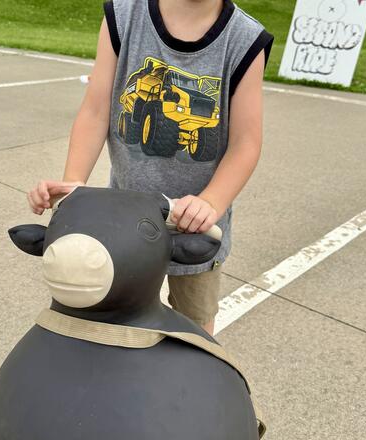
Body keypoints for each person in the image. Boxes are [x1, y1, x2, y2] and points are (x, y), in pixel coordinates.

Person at [27, 0, 273, 336]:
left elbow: (245, 142)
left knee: (194, 322)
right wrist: (75, 184)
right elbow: (96, 111)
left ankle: (189, 380)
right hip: (124, 221)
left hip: (194, 224)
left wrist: (212, 202)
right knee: (110, 310)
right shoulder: (125, 16)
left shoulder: (245, 38)